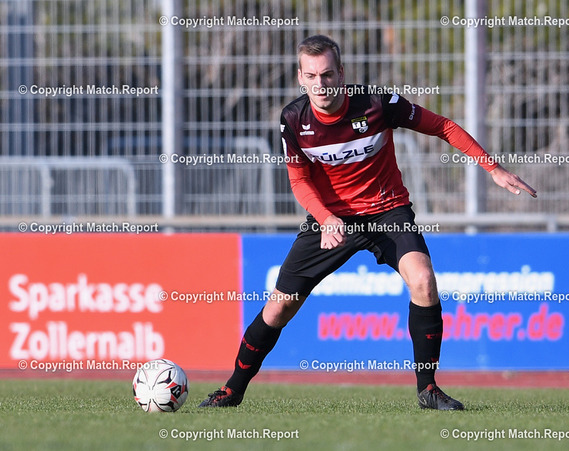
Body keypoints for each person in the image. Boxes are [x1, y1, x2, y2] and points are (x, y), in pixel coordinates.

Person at [199, 35, 536, 411]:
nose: (320, 84)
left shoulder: (378, 104)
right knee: (279, 307)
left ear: (341, 73)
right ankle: (232, 390)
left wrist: (492, 167)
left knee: (423, 281)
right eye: (311, 76)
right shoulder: (293, 119)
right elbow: (299, 180)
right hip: (331, 219)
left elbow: (441, 125)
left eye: (328, 74)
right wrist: (326, 218)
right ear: (300, 77)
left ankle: (428, 389)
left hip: (388, 211)